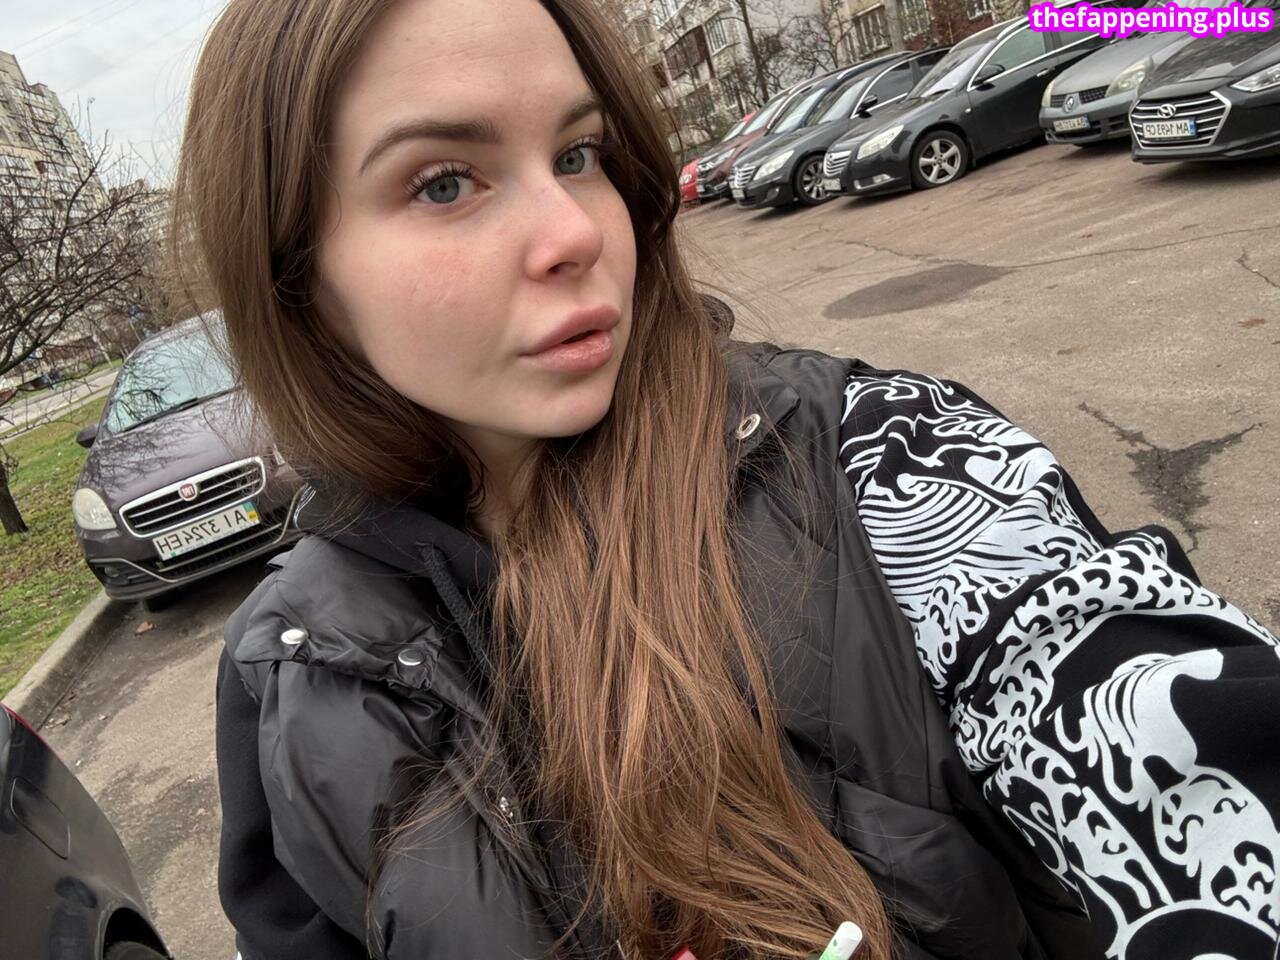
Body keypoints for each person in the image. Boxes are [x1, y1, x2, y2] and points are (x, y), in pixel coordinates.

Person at [171, 1, 1280, 959]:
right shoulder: (295, 675)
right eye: (446, 182)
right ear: (301, 280)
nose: (574, 231)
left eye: (578, 154)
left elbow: (1167, 739)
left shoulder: (883, 460)